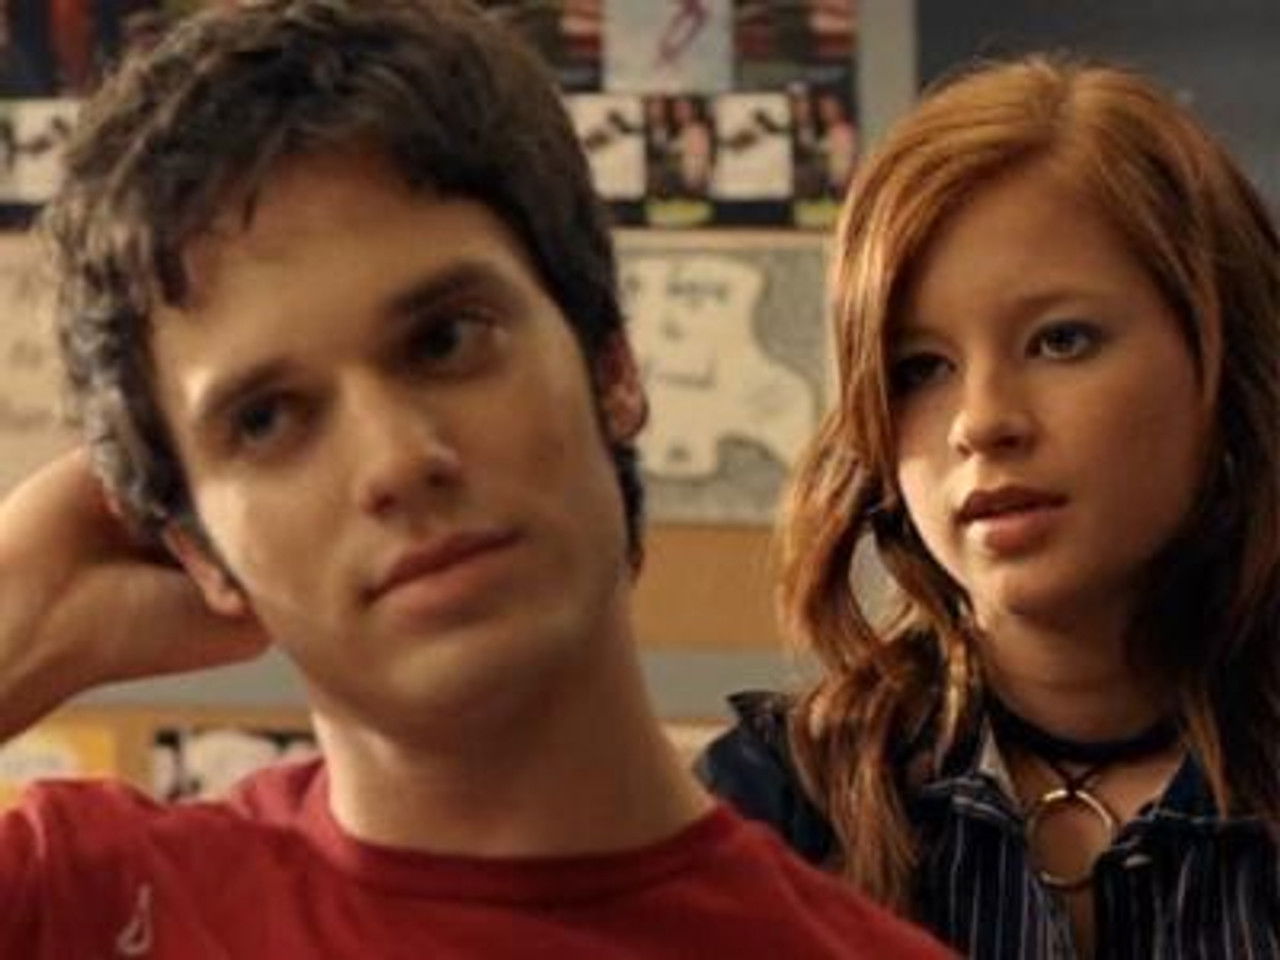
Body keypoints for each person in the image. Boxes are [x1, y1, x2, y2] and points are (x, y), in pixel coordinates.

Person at [0, 1, 952, 957]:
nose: (396, 460)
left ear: (611, 367)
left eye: (447, 340)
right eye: (266, 420)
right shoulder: (77, 909)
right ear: (196, 549)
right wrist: (21, 617)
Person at [700, 54, 1280, 958]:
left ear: (1225, 357)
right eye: (920, 369)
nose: (980, 423)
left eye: (1060, 340)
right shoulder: (780, 802)